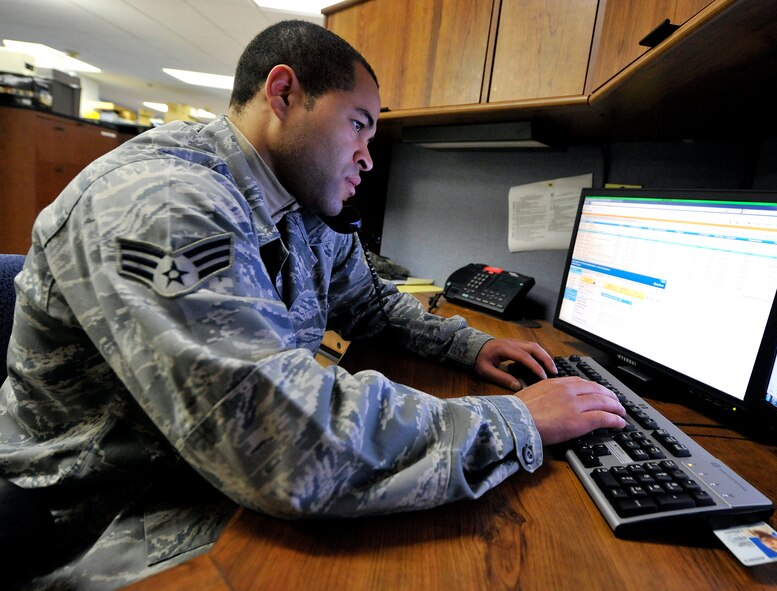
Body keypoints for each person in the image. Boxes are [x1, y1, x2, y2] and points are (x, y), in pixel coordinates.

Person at [0, 19, 626, 589]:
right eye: (358, 122)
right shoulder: (164, 205)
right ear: (283, 94)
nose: (368, 156)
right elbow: (285, 443)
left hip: (207, 477)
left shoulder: (297, 202)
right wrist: (517, 421)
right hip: (106, 521)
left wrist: (471, 344)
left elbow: (369, 303)